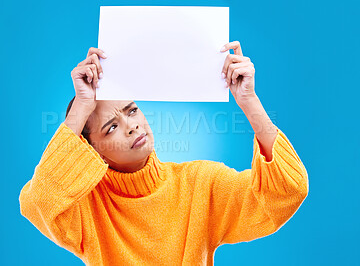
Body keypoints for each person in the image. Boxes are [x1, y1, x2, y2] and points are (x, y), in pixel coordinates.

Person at [19, 42, 309, 265]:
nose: (132, 126)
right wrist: (82, 107)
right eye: (111, 127)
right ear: (92, 152)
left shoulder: (200, 184)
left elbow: (286, 193)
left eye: (132, 110)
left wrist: (249, 101)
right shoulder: (88, 208)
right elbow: (38, 202)